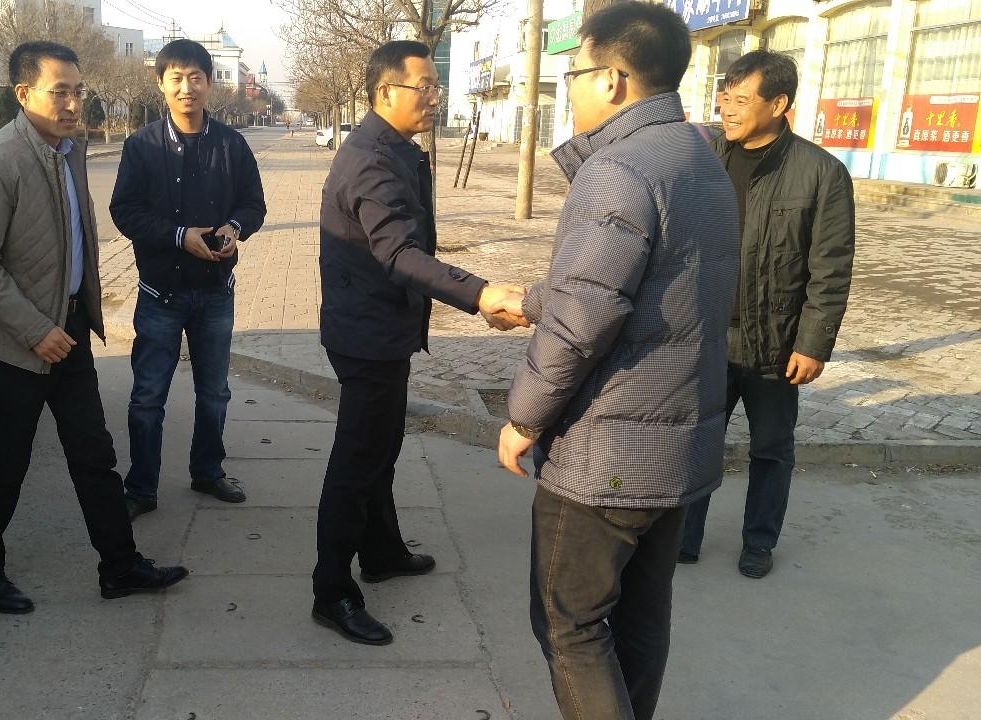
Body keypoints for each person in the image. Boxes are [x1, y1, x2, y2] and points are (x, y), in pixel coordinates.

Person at [494, 4, 739, 717]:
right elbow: (637, 281)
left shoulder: (619, 169)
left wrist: (523, 418)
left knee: (570, 626)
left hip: (606, 456)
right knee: (640, 616)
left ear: (613, 78)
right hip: (675, 445)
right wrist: (533, 299)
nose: (567, 86)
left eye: (573, 71)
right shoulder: (697, 157)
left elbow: (583, 322)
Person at [0, 41, 187, 614]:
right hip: (18, 341)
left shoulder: (68, 151)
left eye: (78, 91)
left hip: (70, 330)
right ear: (23, 93)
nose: (72, 103)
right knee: (6, 461)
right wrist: (35, 329)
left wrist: (78, 317)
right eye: (59, 91)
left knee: (94, 454)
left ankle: (120, 566)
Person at [312, 40, 528, 646]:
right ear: (386, 92)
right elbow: (401, 255)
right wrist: (481, 294)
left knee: (382, 447)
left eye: (437, 87)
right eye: (424, 87)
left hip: (384, 327)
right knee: (358, 462)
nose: (435, 97)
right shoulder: (370, 160)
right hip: (367, 334)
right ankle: (331, 590)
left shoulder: (394, 149)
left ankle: (381, 551)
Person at [679, 50, 856, 578]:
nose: (727, 109)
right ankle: (683, 537)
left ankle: (759, 541)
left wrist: (813, 344)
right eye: (724, 97)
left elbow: (830, 268)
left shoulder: (821, 173)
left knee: (772, 450)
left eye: (741, 99)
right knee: (697, 440)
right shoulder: (704, 156)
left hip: (774, 344)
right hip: (707, 337)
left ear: (778, 104)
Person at [109, 39, 267, 519]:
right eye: (176, 78)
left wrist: (234, 228)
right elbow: (124, 211)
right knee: (147, 396)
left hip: (215, 293)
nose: (186, 87)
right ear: (160, 83)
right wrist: (180, 237)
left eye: (195, 77)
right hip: (160, 293)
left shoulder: (231, 145)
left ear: (209, 83)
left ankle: (207, 471)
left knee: (214, 392)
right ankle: (141, 488)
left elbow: (254, 204)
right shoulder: (141, 146)